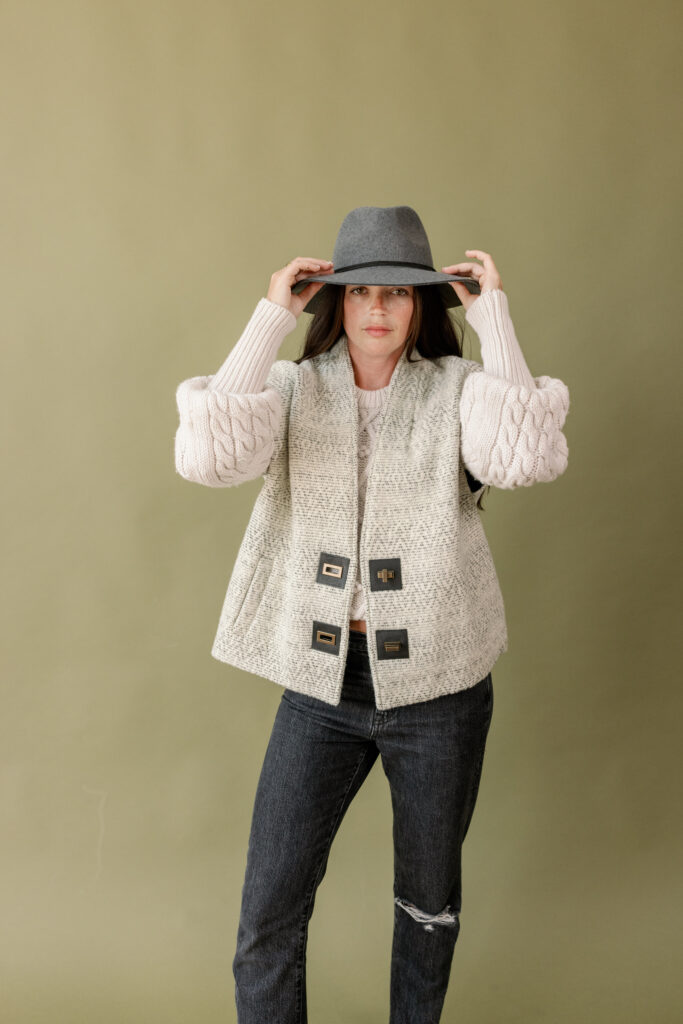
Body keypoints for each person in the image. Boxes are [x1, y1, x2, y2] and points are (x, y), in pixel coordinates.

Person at [173, 205, 570, 1023]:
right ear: (335, 304)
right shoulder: (291, 388)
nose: (378, 308)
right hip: (319, 688)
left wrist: (493, 318)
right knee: (268, 912)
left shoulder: (458, 389)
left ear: (421, 306)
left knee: (427, 910)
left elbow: (523, 456)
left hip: (440, 691)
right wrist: (270, 317)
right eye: (359, 292)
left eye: (397, 292)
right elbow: (209, 456)